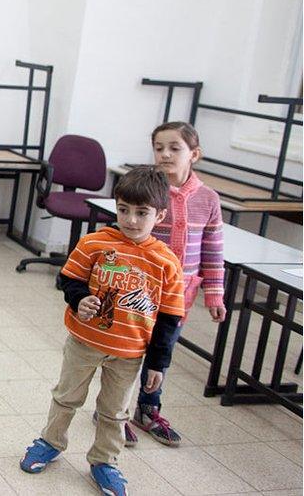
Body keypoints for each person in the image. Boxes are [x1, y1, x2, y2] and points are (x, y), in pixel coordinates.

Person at [20, 166, 185, 496]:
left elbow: (169, 318)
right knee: (66, 397)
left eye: (142, 213)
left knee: (114, 411)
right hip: (84, 341)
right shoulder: (95, 243)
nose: (131, 220)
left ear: (160, 215)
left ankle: (105, 461)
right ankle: (51, 442)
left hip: (129, 354)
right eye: (124, 210)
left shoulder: (166, 262)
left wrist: (158, 364)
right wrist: (80, 300)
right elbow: (69, 279)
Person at [119, 121, 225, 447]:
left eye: (174, 148)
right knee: (127, 353)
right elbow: (127, 238)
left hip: (178, 297)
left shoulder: (208, 199)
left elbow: (213, 249)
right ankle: (115, 410)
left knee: (161, 353)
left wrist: (214, 295)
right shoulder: (147, 193)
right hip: (139, 293)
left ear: (194, 154)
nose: (165, 154)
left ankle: (148, 409)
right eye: (159, 148)